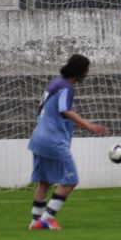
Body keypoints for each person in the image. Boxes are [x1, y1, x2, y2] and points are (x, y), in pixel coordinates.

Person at [28, 54, 106, 230]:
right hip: (52, 140)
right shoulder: (66, 87)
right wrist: (89, 125)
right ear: (80, 71)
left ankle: (35, 221)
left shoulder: (55, 83)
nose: (87, 73)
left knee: (44, 181)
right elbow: (65, 110)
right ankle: (46, 219)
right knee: (70, 180)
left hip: (38, 138)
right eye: (86, 70)